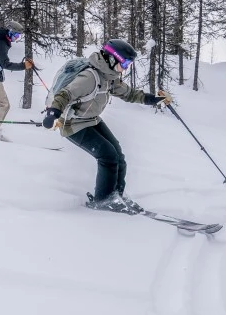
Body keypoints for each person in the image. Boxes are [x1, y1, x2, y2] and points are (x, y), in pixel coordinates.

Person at [41, 38, 172, 212]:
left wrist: (154, 99)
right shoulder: (89, 77)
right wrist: (53, 113)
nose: (126, 68)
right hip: (73, 123)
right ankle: (103, 201)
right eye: (124, 63)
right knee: (108, 156)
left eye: (128, 64)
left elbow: (129, 94)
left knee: (119, 156)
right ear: (112, 59)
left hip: (91, 119)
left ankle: (116, 196)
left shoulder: (109, 77)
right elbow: (65, 95)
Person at [0, 19, 35, 139]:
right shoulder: (2, 42)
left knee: (5, 105)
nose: (17, 38)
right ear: (10, 32)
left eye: (19, 36)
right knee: (3, 105)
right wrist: (24, 66)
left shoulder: (1, 40)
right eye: (16, 35)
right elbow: (5, 64)